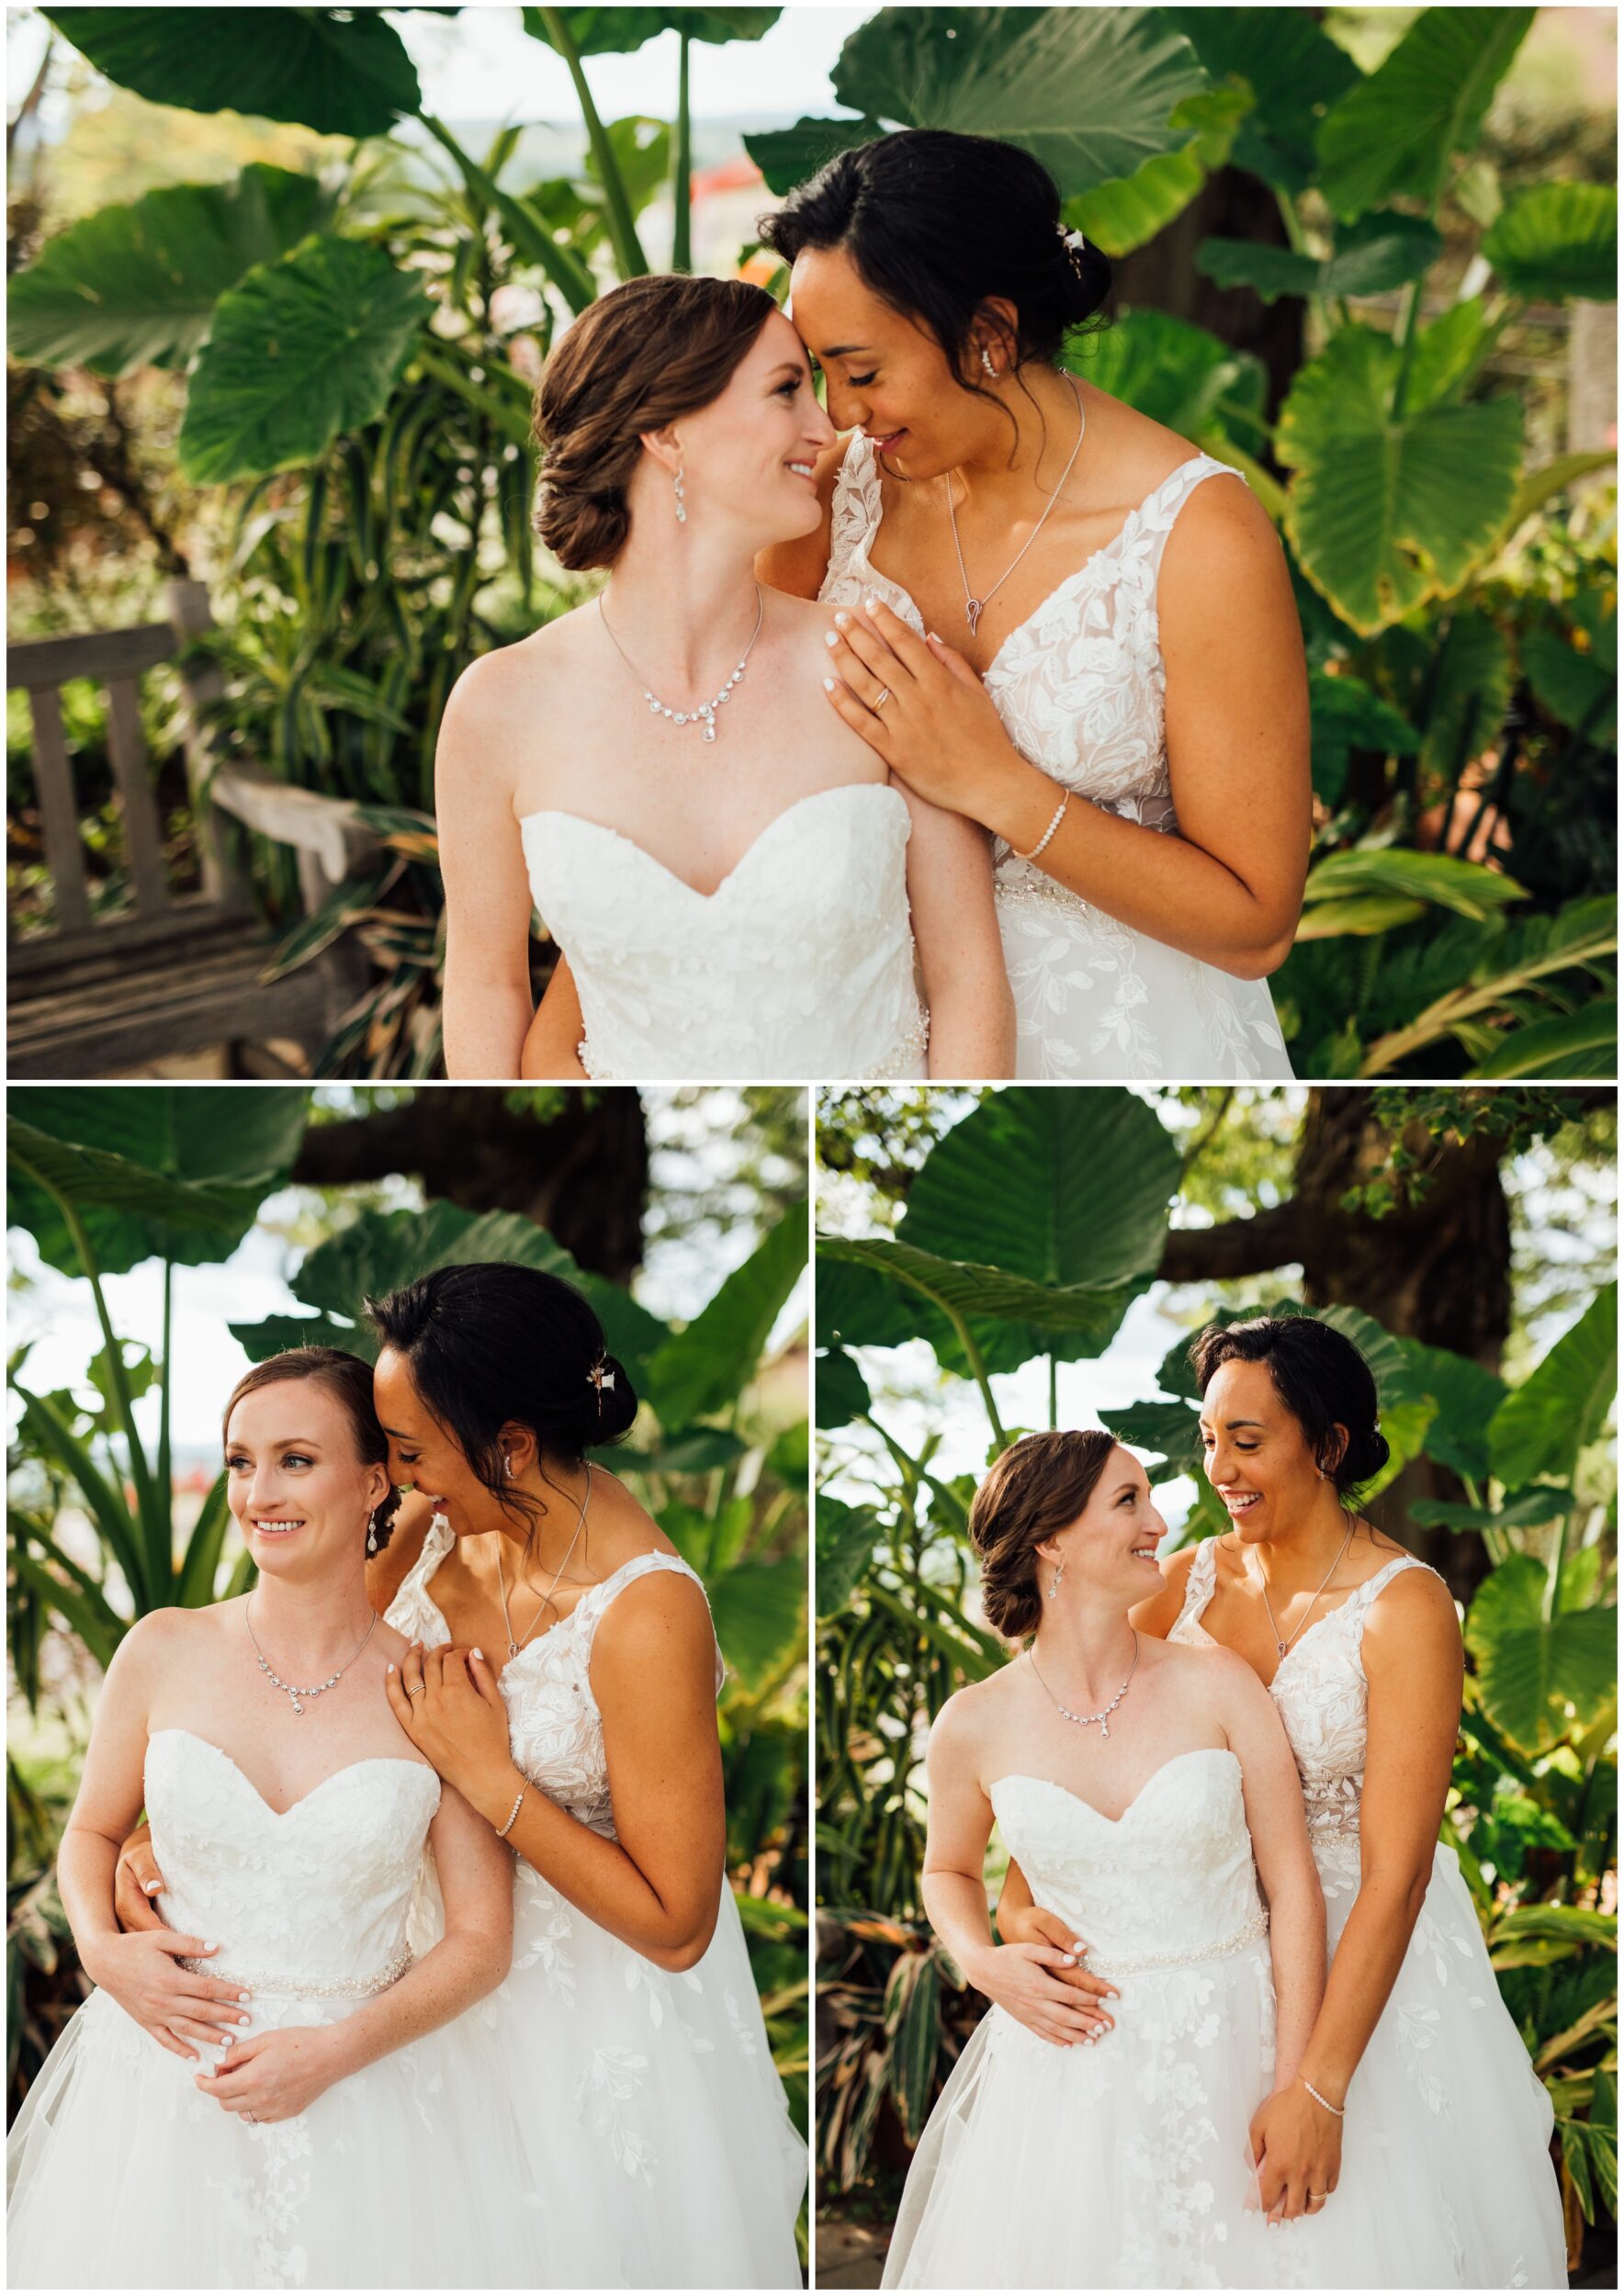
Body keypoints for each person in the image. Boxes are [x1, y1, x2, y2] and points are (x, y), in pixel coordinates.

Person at [118, 1266, 806, 2290]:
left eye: (409, 1450)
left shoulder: (646, 1614)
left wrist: (493, 1779)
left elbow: (676, 1926)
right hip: (403, 1985)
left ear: (512, 1444)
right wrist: (174, 1831)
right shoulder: (432, 1526)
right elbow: (310, 1675)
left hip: (583, 2028)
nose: (391, 1476)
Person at [998, 1317, 1568, 2287]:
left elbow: (1399, 1868)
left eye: (1248, 1440)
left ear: (1330, 1443)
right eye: (1209, 1439)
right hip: (1207, 1950)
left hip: (1363, 1959)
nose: (1218, 1468)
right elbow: (1086, 1741)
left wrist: (1321, 2085)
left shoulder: (1405, 1605)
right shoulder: (1178, 1581)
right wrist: (1019, 1898)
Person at [759, 129, 1310, 1081]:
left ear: (988, 333)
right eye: (815, 373)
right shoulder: (827, 496)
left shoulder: (1198, 536)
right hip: (866, 1026)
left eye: (860, 372)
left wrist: (996, 784)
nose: (837, 414)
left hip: (1123, 1042)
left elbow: (1256, 924)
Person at [8, 1349, 542, 2290]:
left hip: (364, 2103)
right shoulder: (161, 1650)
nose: (260, 1491)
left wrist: (335, 2052)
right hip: (157, 2096)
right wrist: (102, 1947)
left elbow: (480, 1939)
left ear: (374, 1479)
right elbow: (93, 1833)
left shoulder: (433, 1686)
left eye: (295, 1458)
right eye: (241, 1460)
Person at [437, 272, 1013, 1083]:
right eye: (786, 391)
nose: (828, 425)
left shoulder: (874, 659)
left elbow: (967, 986)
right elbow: (487, 986)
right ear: (666, 434)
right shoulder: (498, 707)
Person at [883, 1430, 1327, 2288]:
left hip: (1237, 2044)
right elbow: (949, 1870)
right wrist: (982, 1961)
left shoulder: (1218, 1684)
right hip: (1066, 2077)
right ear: (1050, 1538)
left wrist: (1297, 2083)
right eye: (1129, 1501)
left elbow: (1295, 1890)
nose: (1160, 1521)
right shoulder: (972, 1724)